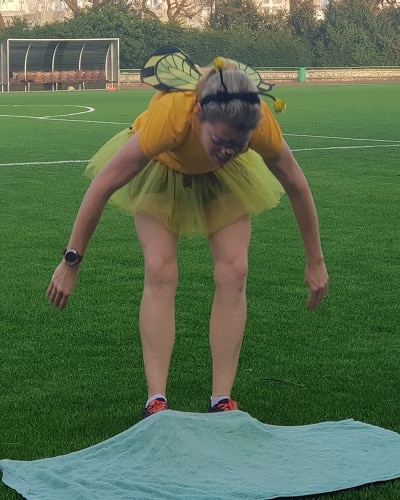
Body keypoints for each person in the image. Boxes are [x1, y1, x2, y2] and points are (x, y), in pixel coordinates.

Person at [47, 47, 329, 418]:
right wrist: (71, 263)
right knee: (160, 267)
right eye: (220, 142)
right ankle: (156, 400)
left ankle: (221, 400)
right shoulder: (172, 116)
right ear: (198, 113)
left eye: (238, 145)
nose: (227, 150)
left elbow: (298, 187)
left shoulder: (257, 121)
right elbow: (103, 185)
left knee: (235, 270)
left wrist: (315, 261)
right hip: (162, 169)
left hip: (223, 181)